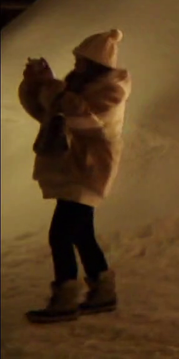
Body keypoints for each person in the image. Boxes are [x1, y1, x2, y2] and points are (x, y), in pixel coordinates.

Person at [18, 29, 132, 323]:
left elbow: (86, 122)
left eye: (80, 60)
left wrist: (56, 91)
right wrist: (37, 84)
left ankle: (65, 299)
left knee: (61, 234)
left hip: (90, 169)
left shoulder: (111, 91)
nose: (75, 64)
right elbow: (47, 112)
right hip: (75, 168)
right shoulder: (77, 86)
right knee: (81, 233)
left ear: (94, 63)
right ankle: (102, 291)